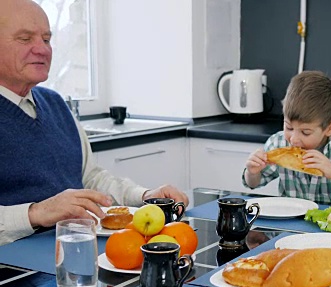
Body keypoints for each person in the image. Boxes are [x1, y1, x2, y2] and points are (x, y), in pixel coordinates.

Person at [0, 0, 189, 245]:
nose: (42, 50)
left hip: (76, 250)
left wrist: (144, 197)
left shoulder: (56, 104)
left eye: (46, 39)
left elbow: (92, 180)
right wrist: (37, 213)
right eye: (25, 39)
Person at [243, 70, 331, 204]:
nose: (294, 139)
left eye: (306, 132)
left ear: (329, 129)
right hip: (291, 221)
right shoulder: (278, 143)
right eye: (289, 127)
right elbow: (253, 184)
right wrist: (252, 172)